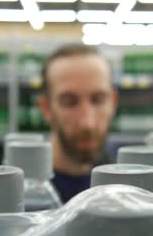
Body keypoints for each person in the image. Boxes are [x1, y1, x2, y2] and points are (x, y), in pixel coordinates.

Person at [37, 44, 118, 203]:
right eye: (69, 102)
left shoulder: (124, 183)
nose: (87, 123)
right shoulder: (25, 194)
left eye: (98, 100)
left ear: (113, 102)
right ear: (46, 108)